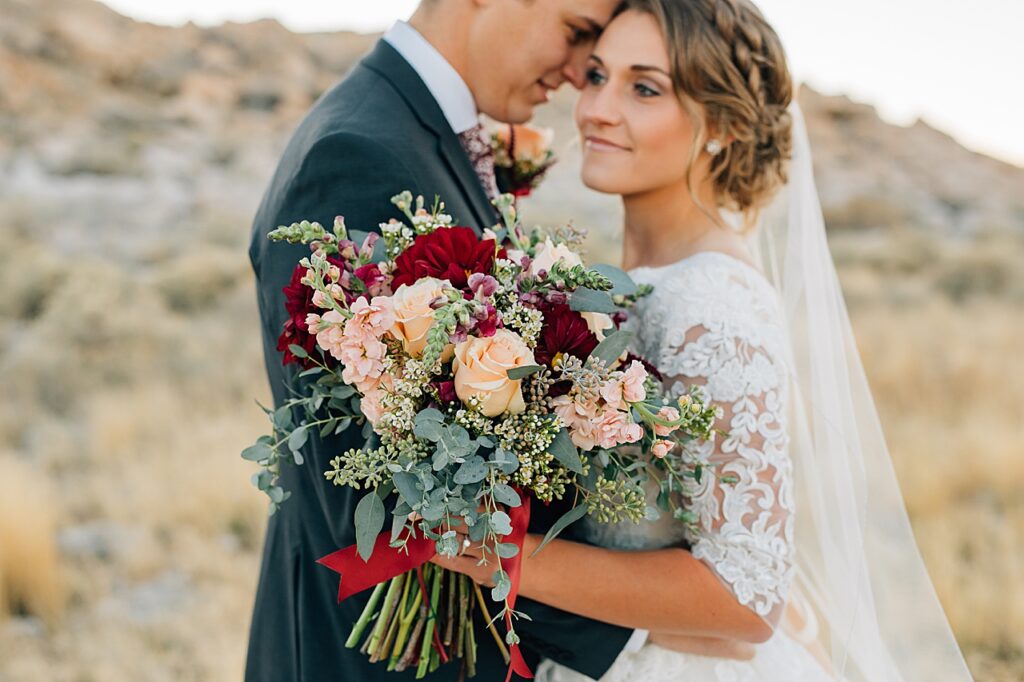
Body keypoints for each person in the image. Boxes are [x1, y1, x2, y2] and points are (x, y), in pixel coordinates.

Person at [434, 1, 974, 680]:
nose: (597, 107)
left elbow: (746, 597)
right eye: (597, 75)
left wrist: (499, 554)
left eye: (645, 88)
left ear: (720, 125)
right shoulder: (630, 287)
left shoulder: (712, 305)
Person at [243, 1, 639, 680]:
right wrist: (644, 637)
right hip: (370, 657)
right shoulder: (360, 152)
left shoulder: (415, 131)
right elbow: (381, 510)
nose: (578, 74)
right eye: (575, 33)